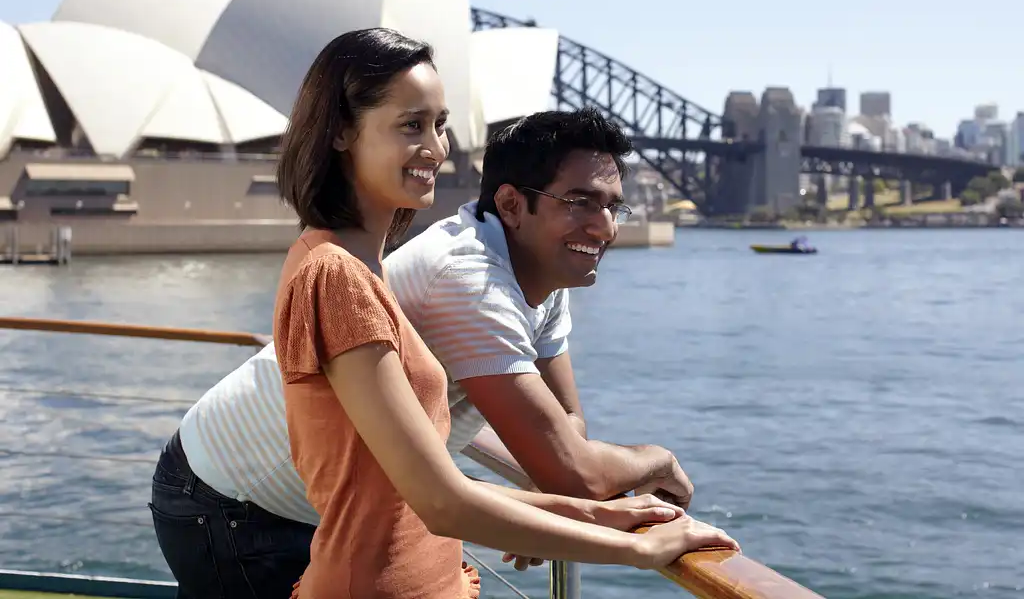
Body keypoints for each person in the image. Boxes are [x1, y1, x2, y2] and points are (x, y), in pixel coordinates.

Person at [149, 30, 736, 598]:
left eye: (440, 124)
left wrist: (575, 509)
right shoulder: (399, 276)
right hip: (235, 501)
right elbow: (477, 488)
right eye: (411, 125)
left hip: (347, 516)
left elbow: (555, 440)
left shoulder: (511, 271)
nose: (436, 147)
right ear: (341, 133)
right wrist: (630, 520)